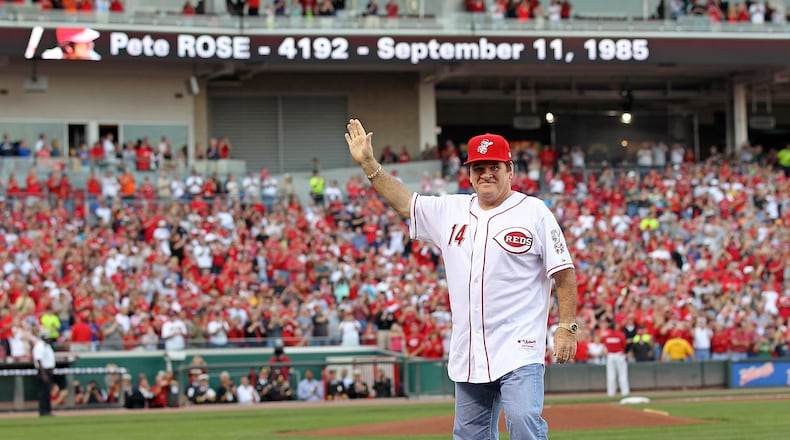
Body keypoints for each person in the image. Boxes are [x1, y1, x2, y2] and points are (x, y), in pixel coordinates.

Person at [344, 119, 578, 440]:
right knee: (469, 436)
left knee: (523, 420)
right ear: (468, 174)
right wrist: (370, 164)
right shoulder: (450, 209)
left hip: (519, 346)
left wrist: (567, 326)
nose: (486, 174)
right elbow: (404, 202)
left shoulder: (534, 212)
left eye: (493, 166)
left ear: (510, 170)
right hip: (470, 350)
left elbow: (563, 272)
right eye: (478, 167)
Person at [598, 320, 630, 397]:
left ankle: (611, 393)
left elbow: (603, 342)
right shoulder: (620, 335)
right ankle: (625, 393)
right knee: (622, 375)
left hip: (610, 356)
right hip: (619, 355)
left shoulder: (606, 335)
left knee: (611, 375)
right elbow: (624, 345)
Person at [31, 333, 56, 416]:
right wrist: (43, 374)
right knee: (43, 392)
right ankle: (43, 411)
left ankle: (48, 410)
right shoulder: (39, 346)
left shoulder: (48, 346)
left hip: (48, 371)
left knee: (47, 392)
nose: (49, 340)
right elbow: (38, 360)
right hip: (43, 371)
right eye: (47, 338)